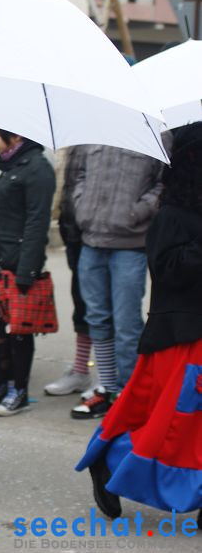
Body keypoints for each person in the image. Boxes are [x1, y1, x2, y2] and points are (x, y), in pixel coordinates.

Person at [75, 122, 202, 523]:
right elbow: (169, 272)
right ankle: (110, 462)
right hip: (180, 335)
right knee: (172, 423)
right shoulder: (173, 215)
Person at [69, 143, 165, 419]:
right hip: (91, 240)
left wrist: (137, 211)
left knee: (127, 323)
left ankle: (129, 392)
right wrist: (82, 206)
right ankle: (108, 387)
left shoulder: (153, 134)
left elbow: (163, 183)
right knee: (97, 318)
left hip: (131, 246)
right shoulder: (96, 132)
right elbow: (78, 176)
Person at [0, 128, 55, 416]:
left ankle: (19, 388)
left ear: (16, 136)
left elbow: (37, 223)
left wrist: (26, 271)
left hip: (15, 263)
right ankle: (0, 383)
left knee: (17, 330)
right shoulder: (2, 162)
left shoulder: (38, 167)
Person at [43, 146, 94, 398]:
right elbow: (63, 185)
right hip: (72, 230)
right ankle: (80, 369)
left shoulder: (107, 136)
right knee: (82, 306)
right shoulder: (70, 143)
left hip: (99, 233)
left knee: (108, 313)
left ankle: (112, 377)